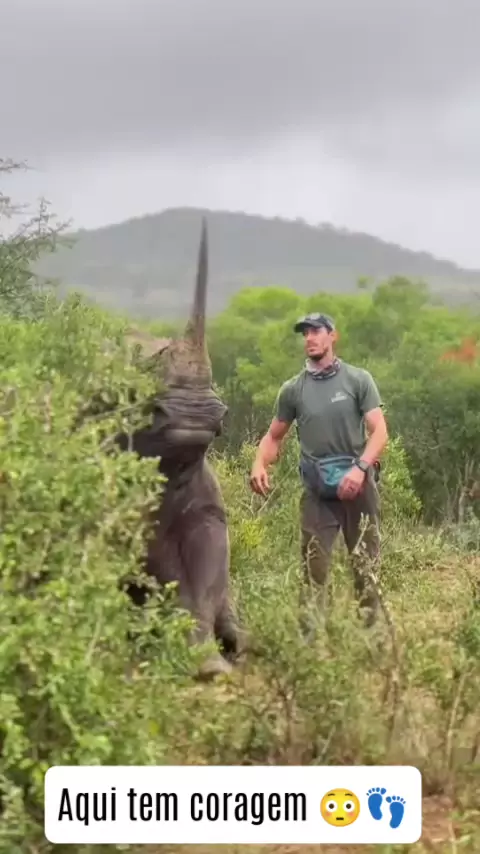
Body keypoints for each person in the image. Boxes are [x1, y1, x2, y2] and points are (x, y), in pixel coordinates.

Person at [249, 311, 388, 630]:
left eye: (316, 331)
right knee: (314, 570)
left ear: (332, 335)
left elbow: (379, 432)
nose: (310, 338)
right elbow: (274, 436)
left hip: (358, 489)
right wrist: (259, 463)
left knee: (366, 568)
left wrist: (360, 468)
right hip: (318, 494)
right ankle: (310, 644)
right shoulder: (293, 390)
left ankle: (372, 638)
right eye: (305, 333)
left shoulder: (358, 380)